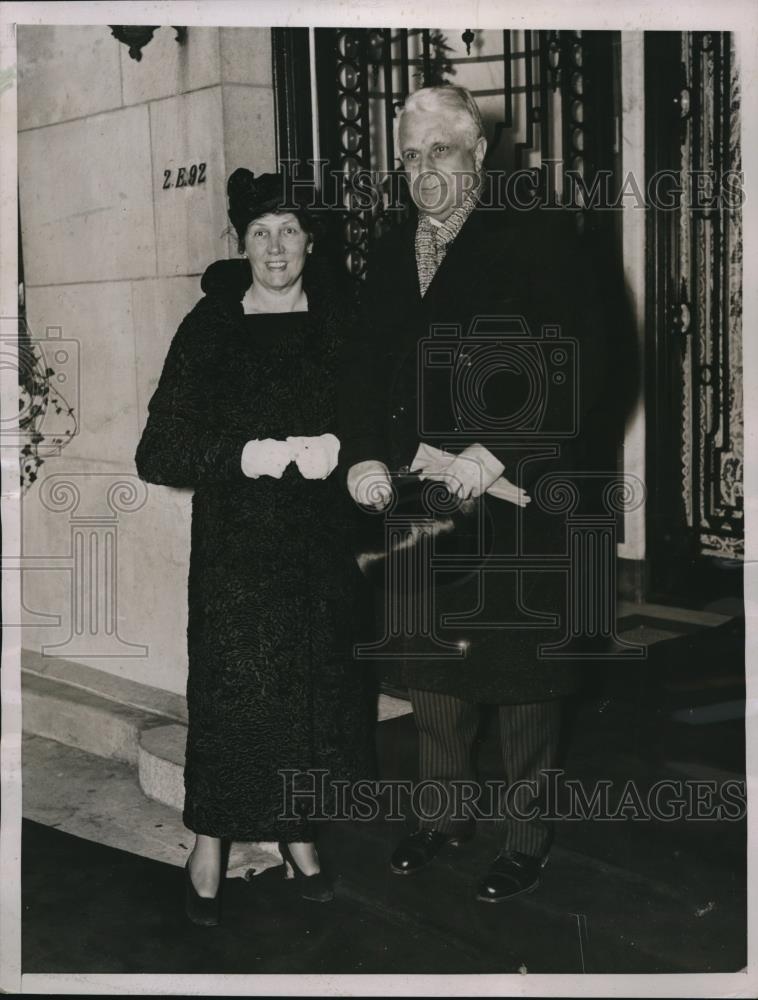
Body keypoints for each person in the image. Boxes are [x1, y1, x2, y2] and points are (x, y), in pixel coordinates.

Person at [340, 85, 632, 902]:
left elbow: (582, 359)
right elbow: (361, 370)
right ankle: (444, 816)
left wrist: (496, 448)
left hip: (516, 493)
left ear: (478, 152)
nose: (423, 169)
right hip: (421, 496)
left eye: (439, 150)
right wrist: (362, 457)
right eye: (409, 155)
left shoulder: (540, 234)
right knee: (431, 667)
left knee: (523, 675)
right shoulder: (391, 250)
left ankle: (526, 837)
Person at [135, 168, 373, 926]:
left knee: (313, 696)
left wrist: (348, 449)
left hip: (318, 549)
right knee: (233, 697)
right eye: (261, 233)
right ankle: (209, 841)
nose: (276, 247)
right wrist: (247, 455)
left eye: (290, 231)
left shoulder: (343, 318)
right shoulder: (212, 323)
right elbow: (158, 450)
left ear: (311, 241)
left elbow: (379, 416)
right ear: (241, 242)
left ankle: (298, 832)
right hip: (237, 551)